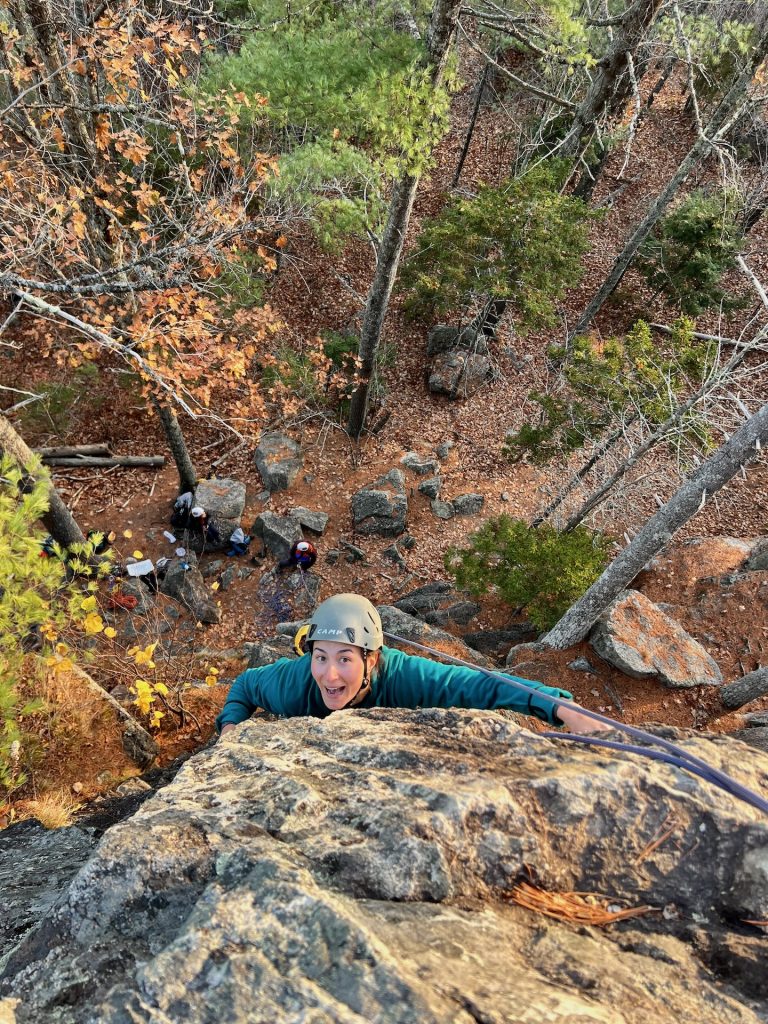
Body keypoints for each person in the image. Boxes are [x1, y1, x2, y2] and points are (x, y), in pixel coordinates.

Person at [216, 593, 609, 736]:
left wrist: (559, 707)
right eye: (320, 657)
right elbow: (245, 685)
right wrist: (231, 727)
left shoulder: (404, 677)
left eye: (344, 658)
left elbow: (477, 685)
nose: (328, 674)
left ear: (372, 658)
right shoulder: (294, 684)